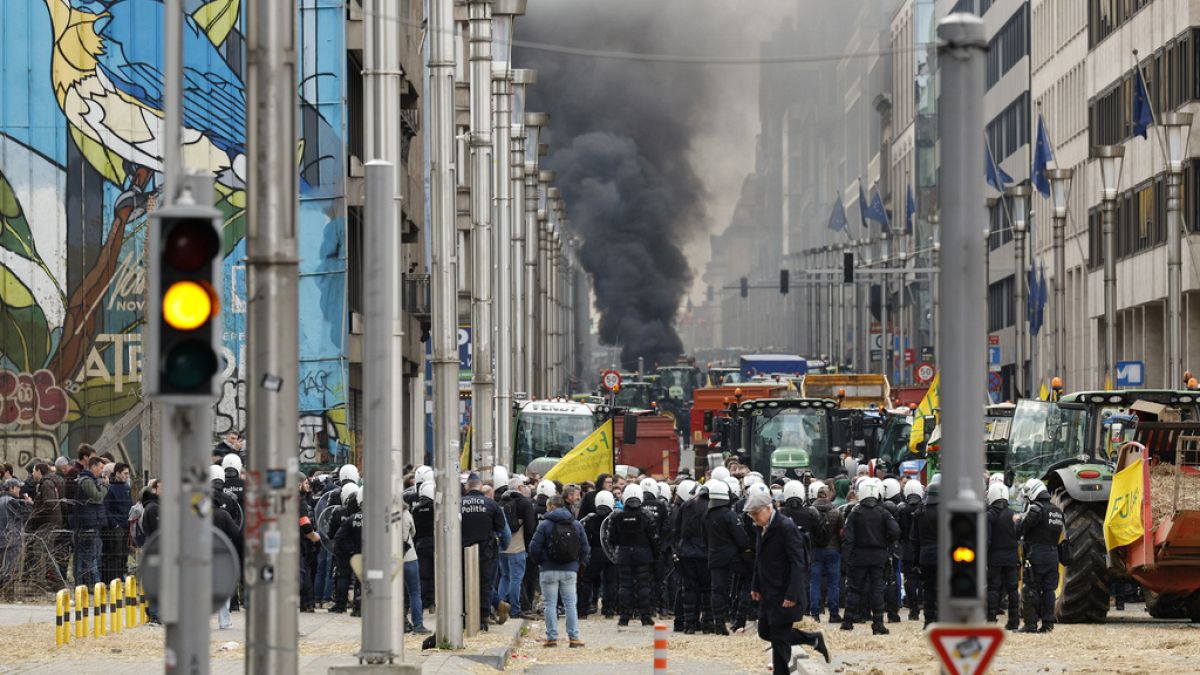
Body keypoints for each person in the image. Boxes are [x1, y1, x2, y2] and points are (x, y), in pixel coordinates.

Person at [745, 490, 829, 673]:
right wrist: (755, 585)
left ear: (769, 508)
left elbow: (797, 563)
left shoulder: (786, 527)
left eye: (755, 514)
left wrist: (792, 594)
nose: (754, 519)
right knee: (765, 631)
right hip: (769, 590)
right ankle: (812, 638)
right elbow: (760, 559)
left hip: (785, 592)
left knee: (780, 643)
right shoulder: (761, 527)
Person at [840, 478, 900, 634]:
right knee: (877, 589)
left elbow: (848, 539)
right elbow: (895, 531)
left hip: (858, 556)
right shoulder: (884, 513)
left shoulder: (855, 514)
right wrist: (886, 541)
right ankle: (878, 623)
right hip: (879, 556)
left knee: (854, 589)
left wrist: (845, 560)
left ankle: (847, 621)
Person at [529, 494, 589, 648]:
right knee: (570, 604)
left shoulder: (544, 525)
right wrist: (578, 565)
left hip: (548, 569)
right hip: (570, 569)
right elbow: (585, 548)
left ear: (551, 506)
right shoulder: (576, 524)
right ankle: (574, 638)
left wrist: (541, 562)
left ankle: (552, 638)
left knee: (550, 604)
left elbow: (534, 547)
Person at [461, 473, 509, 632]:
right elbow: (500, 528)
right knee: (485, 584)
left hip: (462, 551)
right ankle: (482, 618)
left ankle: (464, 615)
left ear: (467, 486)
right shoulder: (491, 504)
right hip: (485, 551)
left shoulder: (458, 503)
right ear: (480, 487)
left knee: (462, 583)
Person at [604, 483, 657, 626]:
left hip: (624, 554)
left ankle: (624, 617)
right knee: (644, 586)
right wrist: (655, 555)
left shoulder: (616, 516)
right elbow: (653, 538)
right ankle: (645, 616)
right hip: (643, 554)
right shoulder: (647, 516)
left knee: (625, 585)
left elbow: (611, 538)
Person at [1015, 478, 1063, 633]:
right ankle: (1048, 624)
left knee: (1030, 589)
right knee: (1049, 591)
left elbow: (1020, 530)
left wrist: (1017, 521)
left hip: (1036, 555)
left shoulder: (1036, 509)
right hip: (1053, 556)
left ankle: (1030, 625)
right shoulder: (1057, 511)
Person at [703, 477, 749, 635]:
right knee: (749, 576)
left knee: (717, 590)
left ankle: (719, 622)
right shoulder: (729, 515)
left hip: (714, 556)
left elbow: (704, 538)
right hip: (731, 556)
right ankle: (739, 614)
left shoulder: (707, 515)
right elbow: (742, 539)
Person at [674, 479, 710, 633]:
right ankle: (707, 623)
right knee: (707, 589)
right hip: (704, 552)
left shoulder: (685, 505)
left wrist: (678, 548)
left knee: (689, 588)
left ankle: (690, 623)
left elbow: (676, 528)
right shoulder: (710, 507)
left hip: (687, 551)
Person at [498, 478, 535, 619]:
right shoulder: (525, 503)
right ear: (519, 488)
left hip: (502, 547)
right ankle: (515, 609)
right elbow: (530, 528)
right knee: (516, 579)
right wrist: (528, 547)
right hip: (518, 547)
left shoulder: (501, 502)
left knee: (505, 577)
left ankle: (498, 605)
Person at [985, 482, 1020, 630]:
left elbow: (986, 539)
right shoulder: (1014, 515)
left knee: (993, 588)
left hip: (995, 557)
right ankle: (1014, 621)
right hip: (1012, 557)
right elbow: (1019, 535)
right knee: (1013, 589)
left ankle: (991, 619)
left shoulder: (988, 516)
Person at [808, 485, 844, 624]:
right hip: (833, 550)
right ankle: (834, 614)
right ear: (828, 496)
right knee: (833, 583)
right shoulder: (836, 512)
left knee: (814, 582)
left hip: (815, 550)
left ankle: (815, 613)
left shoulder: (810, 511)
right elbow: (841, 533)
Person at [579, 489, 617, 618]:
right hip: (611, 553)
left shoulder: (590, 519)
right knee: (611, 582)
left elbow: (582, 534)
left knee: (586, 580)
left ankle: (583, 609)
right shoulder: (615, 518)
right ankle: (609, 610)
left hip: (594, 553)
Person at [74, 456, 109, 588]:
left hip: (92, 521)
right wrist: (106, 486)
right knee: (88, 556)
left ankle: (86, 583)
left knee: (89, 555)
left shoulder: (91, 480)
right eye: (100, 468)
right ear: (93, 467)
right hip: (87, 522)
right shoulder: (87, 481)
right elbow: (97, 497)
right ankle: (90, 583)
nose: (102, 471)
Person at [913, 479, 940, 627]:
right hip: (944, 556)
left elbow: (915, 540)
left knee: (928, 589)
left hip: (926, 556)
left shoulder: (920, 512)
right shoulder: (947, 512)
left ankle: (929, 621)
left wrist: (916, 562)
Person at [101, 463, 133, 583]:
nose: (127, 476)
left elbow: (130, 504)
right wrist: (114, 524)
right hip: (116, 527)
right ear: (118, 473)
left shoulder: (126, 487)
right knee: (116, 553)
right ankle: (114, 579)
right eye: (125, 473)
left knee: (124, 553)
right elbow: (106, 507)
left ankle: (121, 576)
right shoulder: (111, 488)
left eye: (128, 474)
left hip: (126, 524)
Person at [898, 480, 924, 621]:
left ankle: (913, 609)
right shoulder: (924, 509)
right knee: (924, 579)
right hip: (922, 547)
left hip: (907, 548)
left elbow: (898, 531)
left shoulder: (902, 510)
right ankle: (921, 602)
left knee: (909, 579)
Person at [412, 480, 436, 612]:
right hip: (434, 544)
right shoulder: (435, 507)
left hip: (421, 544)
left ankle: (423, 602)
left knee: (423, 575)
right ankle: (432, 602)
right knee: (434, 574)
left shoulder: (415, 509)